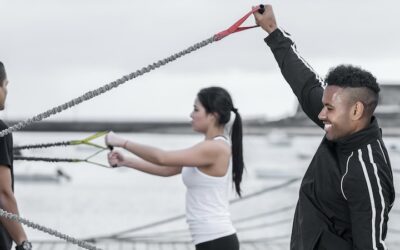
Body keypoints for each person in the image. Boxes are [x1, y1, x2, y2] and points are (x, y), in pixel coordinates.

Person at [254, 5, 395, 250]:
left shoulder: (366, 171)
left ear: (356, 111)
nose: (321, 114)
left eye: (329, 108)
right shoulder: (341, 128)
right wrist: (272, 31)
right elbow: (305, 84)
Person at [105, 86, 243, 250]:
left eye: (196, 109)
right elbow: (166, 169)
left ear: (213, 115)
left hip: (216, 240)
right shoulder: (207, 148)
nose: (191, 115)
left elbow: (162, 158)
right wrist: (126, 162)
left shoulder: (215, 148)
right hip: (210, 240)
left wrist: (122, 142)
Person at [0, 62, 32, 250]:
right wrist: (23, 241)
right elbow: (2, 194)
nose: (6, 91)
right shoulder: (1, 132)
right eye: (5, 85)